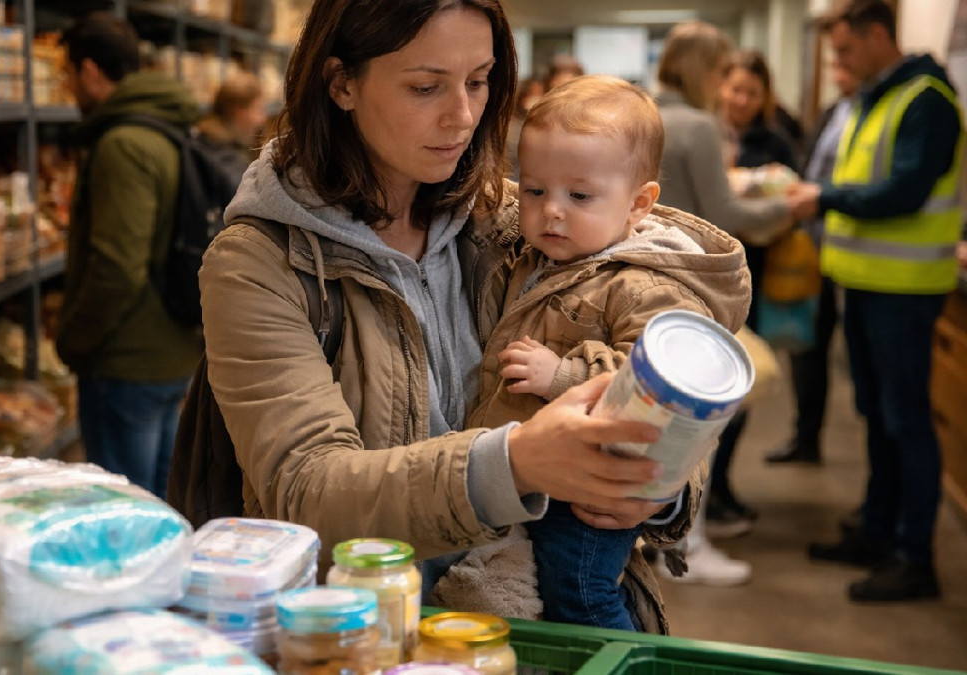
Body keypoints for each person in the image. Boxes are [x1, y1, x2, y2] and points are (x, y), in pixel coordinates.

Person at [197, 0, 699, 633]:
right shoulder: (261, 262)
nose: (462, 117)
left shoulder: (510, 217)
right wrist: (516, 463)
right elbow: (306, 491)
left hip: (548, 615)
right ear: (341, 82)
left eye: (480, 80)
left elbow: (662, 307)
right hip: (373, 632)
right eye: (425, 86)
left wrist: (660, 481)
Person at [466, 75, 750, 629]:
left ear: (638, 204)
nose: (551, 212)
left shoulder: (645, 285)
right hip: (536, 474)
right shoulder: (540, 255)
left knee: (582, 592)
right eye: (534, 190)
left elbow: (655, 387)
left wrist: (563, 375)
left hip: (593, 489)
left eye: (579, 196)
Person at [788, 0, 962, 602]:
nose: (839, 59)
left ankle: (916, 558)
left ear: (879, 34)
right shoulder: (878, 97)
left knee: (906, 420)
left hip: (905, 290)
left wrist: (824, 197)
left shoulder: (927, 102)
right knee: (876, 415)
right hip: (864, 281)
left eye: (844, 48)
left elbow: (906, 191)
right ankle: (878, 527)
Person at [653, 20, 796, 585]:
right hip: (695, 290)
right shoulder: (699, 126)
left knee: (658, 421)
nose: (723, 85)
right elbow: (728, 219)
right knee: (700, 425)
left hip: (638, 285)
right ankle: (687, 543)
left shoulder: (639, 112)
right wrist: (791, 211)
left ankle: (656, 540)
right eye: (719, 72)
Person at [55, 13, 202, 495]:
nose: (66, 86)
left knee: (124, 506)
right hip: (169, 349)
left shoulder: (123, 144)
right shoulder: (166, 129)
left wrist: (74, 339)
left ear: (92, 72)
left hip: (125, 361)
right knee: (159, 498)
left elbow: (117, 268)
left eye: (69, 73)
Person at [704, 48, 801, 537]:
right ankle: (704, 492)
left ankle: (719, 484)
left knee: (742, 382)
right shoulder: (704, 132)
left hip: (755, 274)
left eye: (752, 92)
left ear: (764, 97)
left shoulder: (776, 141)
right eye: (735, 88)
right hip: (708, 273)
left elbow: (792, 203)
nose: (740, 100)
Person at [766, 62, 859, 465]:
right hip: (816, 252)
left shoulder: (872, 113)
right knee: (807, 350)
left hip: (856, 257)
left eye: (845, 56)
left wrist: (821, 200)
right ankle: (806, 437)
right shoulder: (833, 112)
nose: (838, 69)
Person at [195, 70, 269, 180]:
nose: (263, 119)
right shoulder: (224, 159)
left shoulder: (208, 141)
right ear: (240, 113)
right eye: (258, 109)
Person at [506, 76, 546, 179]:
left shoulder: (548, 122)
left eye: (540, 94)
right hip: (515, 178)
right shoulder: (511, 124)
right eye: (532, 94)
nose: (536, 99)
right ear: (523, 97)